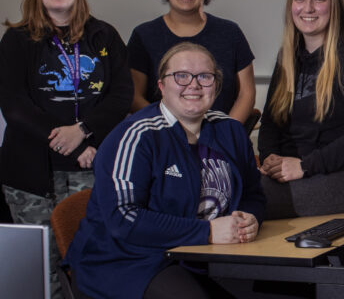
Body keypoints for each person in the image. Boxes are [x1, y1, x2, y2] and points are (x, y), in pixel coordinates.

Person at [65, 42, 265, 299]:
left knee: (285, 291)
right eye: (181, 76)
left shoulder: (231, 131)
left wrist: (250, 219)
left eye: (205, 76)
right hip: (128, 259)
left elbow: (254, 194)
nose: (193, 85)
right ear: (161, 86)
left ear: (216, 85)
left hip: (203, 254)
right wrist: (209, 231)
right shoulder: (135, 136)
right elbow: (122, 217)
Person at [0, 0, 132, 297]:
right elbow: (14, 106)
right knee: (41, 271)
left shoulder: (104, 36)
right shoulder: (16, 40)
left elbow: (121, 97)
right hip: (31, 174)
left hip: (92, 166)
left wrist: (85, 131)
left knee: (90, 260)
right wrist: (73, 140)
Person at [258, 0, 344, 218]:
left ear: (333, 6)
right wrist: (270, 157)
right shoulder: (288, 57)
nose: (308, 8)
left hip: (339, 176)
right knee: (226, 185)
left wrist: (304, 166)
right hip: (294, 170)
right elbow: (272, 122)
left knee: (249, 198)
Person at [127, 0, 256, 122]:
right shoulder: (143, 35)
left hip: (219, 140)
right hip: (163, 139)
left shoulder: (230, 33)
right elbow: (134, 96)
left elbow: (246, 94)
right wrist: (170, 130)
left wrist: (227, 134)